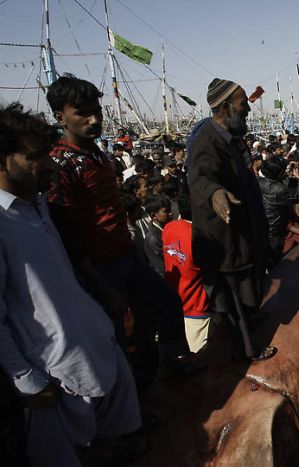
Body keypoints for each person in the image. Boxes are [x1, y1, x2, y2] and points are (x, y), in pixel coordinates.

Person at [0, 103, 142, 466]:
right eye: (34, 157)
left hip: (96, 349)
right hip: (54, 377)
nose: (47, 165)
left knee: (112, 445)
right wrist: (28, 381)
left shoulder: (41, 206)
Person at [45, 75, 192, 374]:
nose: (94, 119)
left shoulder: (96, 154)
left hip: (125, 255)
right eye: (83, 113)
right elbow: (65, 232)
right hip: (98, 267)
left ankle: (170, 370)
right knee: (117, 338)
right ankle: (134, 406)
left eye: (96, 110)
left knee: (163, 307)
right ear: (60, 116)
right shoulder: (61, 165)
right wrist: (97, 282)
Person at [188, 78, 276, 361]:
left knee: (248, 286)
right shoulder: (206, 140)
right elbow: (200, 178)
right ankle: (247, 350)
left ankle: (250, 323)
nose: (248, 109)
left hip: (243, 230)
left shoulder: (233, 137)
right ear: (225, 108)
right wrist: (215, 193)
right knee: (233, 295)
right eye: (243, 104)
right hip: (222, 238)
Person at [162, 190, 213, 353]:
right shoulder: (199, 238)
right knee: (199, 356)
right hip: (197, 306)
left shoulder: (168, 228)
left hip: (175, 301)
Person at [258, 157, 299, 267]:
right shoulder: (278, 190)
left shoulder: (261, 181)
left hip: (265, 227)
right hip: (275, 230)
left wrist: (287, 175)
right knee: (276, 261)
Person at [143, 194, 173, 278]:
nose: (171, 213)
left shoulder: (167, 229)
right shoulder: (153, 239)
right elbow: (161, 268)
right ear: (153, 215)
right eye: (166, 211)